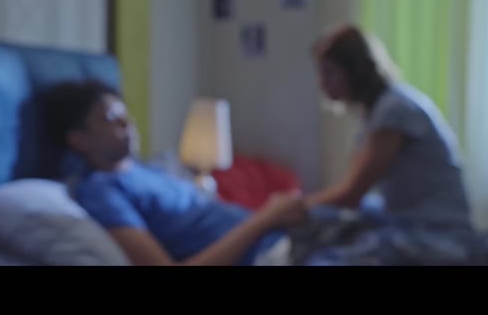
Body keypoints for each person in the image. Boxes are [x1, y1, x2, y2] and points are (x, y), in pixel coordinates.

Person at [41, 80, 308, 266]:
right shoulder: (101, 191)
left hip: (284, 237)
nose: (127, 122)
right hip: (268, 255)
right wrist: (263, 220)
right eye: (111, 118)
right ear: (79, 140)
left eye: (124, 114)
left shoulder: (149, 170)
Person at [306, 25, 472, 228]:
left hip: (437, 227)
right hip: (412, 218)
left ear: (355, 70)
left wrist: (297, 207)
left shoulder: (393, 111)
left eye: (329, 72)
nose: (321, 83)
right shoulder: (377, 111)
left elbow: (351, 194)